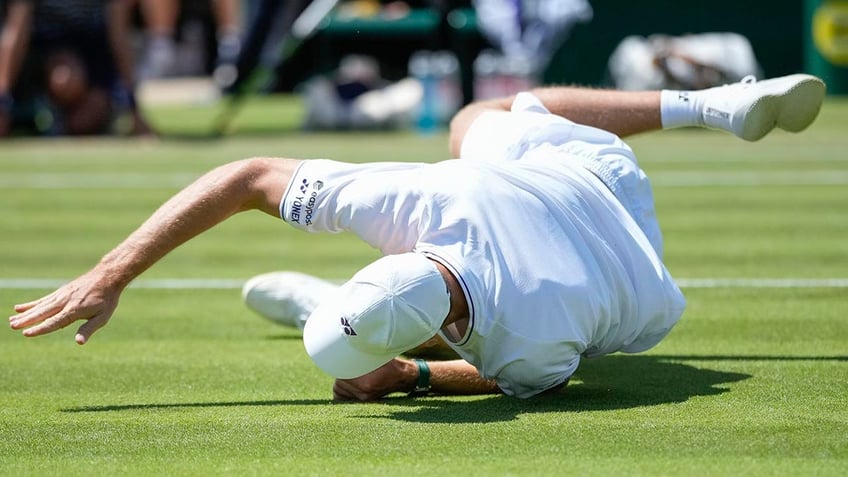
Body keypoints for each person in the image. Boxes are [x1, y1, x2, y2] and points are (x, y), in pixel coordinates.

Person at [8, 74, 826, 401]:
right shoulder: (417, 201)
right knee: (483, 118)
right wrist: (109, 272)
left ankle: (321, 309)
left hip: (643, 292)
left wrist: (413, 375)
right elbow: (249, 174)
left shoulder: (528, 348)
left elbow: (507, 376)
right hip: (594, 182)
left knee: (477, 121)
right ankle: (705, 104)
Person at [0, 0, 153, 137]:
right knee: (65, 80)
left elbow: (119, 33)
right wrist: (3, 101)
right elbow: (16, 29)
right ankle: (46, 110)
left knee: (87, 118)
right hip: (47, 48)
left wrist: (133, 107)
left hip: (95, 49)